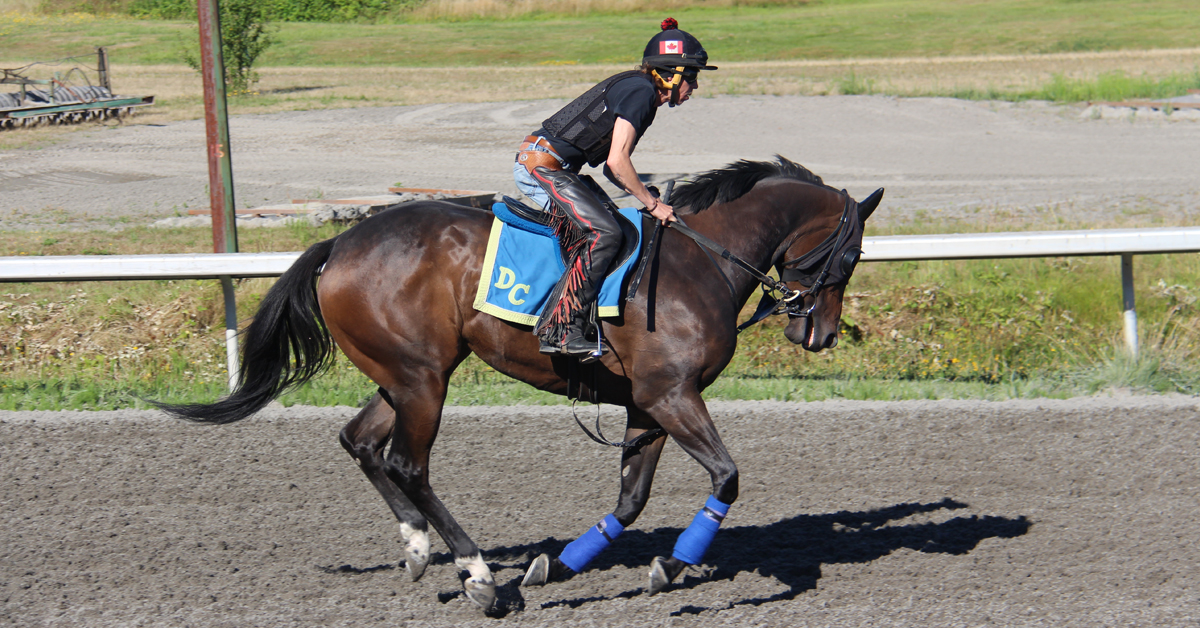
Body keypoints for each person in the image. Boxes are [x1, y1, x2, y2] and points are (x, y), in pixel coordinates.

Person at [513, 17, 717, 358]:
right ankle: (560, 329)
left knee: (618, 228)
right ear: (671, 75)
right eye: (692, 77)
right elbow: (617, 164)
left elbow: (612, 167)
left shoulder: (641, 90)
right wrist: (652, 204)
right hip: (541, 167)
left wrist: (646, 198)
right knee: (604, 234)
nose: (694, 87)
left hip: (557, 167)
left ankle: (586, 316)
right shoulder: (641, 94)